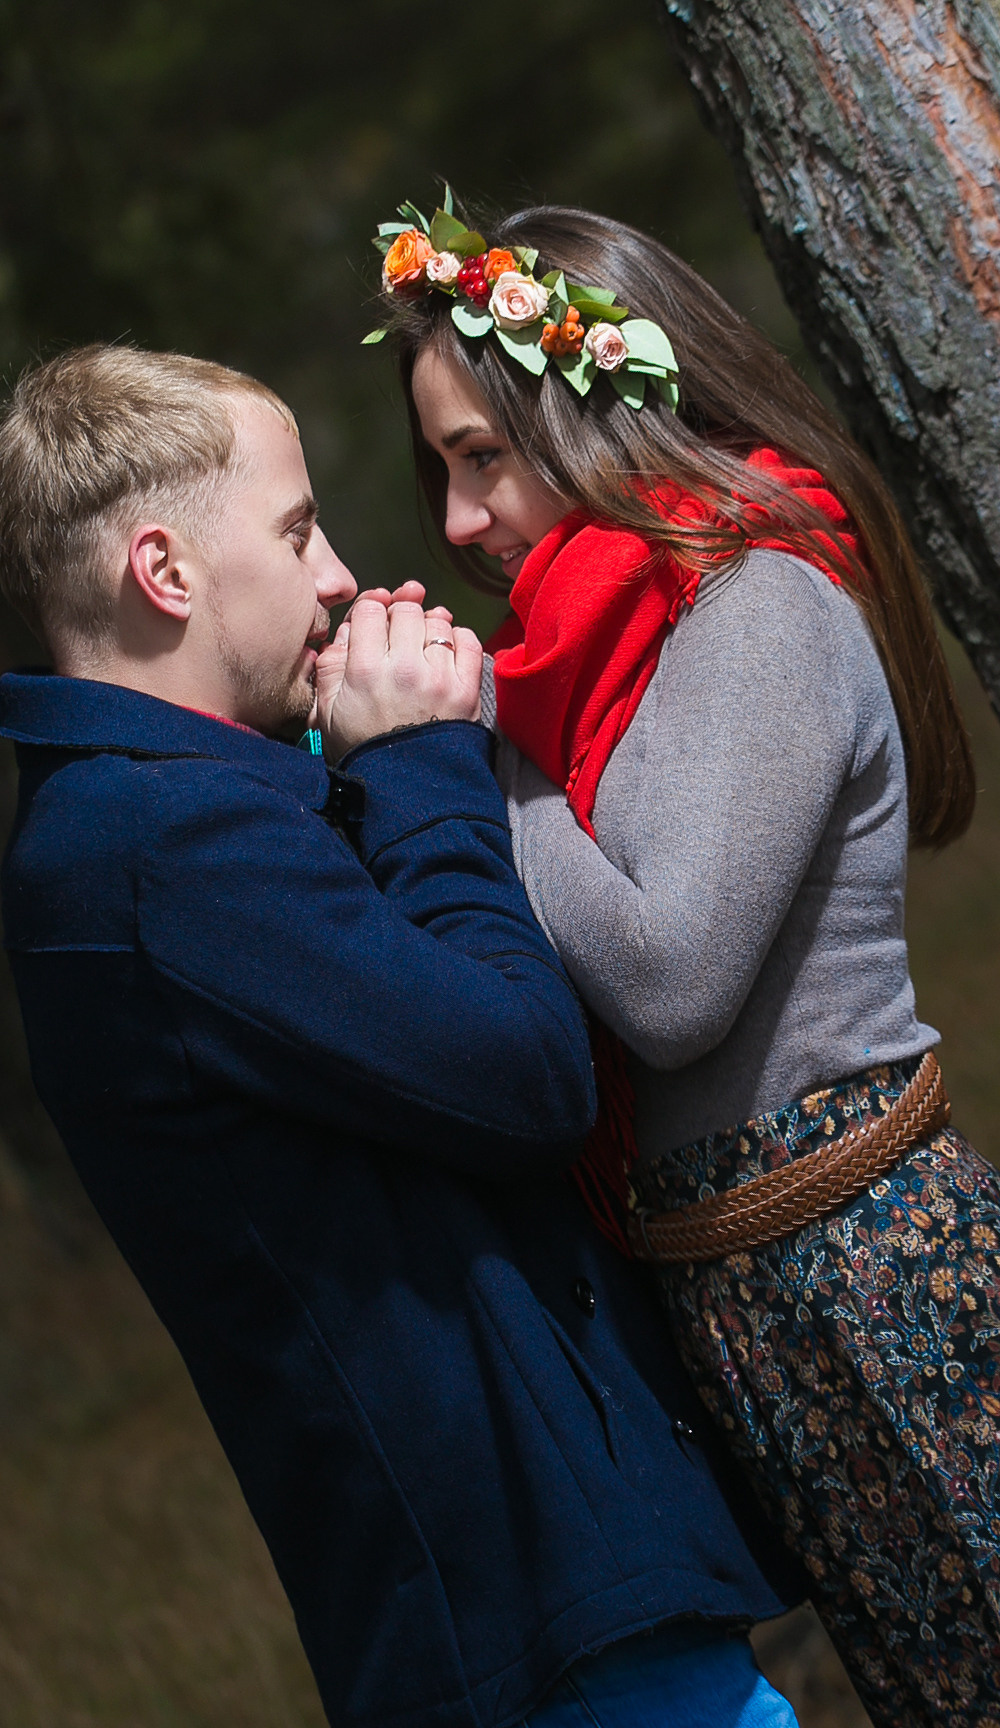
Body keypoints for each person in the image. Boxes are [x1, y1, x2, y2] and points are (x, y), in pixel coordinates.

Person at [0, 344, 805, 1728]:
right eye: (297, 531)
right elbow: (521, 1075)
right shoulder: (155, 848)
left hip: (557, 1607)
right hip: (542, 1635)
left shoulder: (170, 815)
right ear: (166, 573)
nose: (339, 576)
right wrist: (421, 766)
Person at [375, 197, 1000, 1728]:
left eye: (481, 457)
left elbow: (669, 984)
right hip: (753, 1297)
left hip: (873, 1269)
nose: (458, 524)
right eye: (441, 468)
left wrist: (471, 763)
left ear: (591, 411)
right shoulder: (613, 654)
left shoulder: (762, 602)